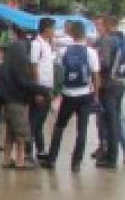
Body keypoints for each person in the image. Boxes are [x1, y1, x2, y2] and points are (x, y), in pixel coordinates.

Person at [40, 21, 100, 172]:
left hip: (67, 95)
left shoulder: (64, 51)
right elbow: (96, 76)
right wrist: (96, 95)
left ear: (72, 34)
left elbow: (59, 72)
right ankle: (76, 164)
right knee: (82, 130)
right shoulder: (91, 52)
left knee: (59, 127)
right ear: (84, 34)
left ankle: (52, 159)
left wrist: (56, 92)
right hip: (85, 95)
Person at [0, 28, 38, 170]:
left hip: (8, 102)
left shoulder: (5, 68)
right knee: (21, 135)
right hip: (18, 102)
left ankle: (6, 160)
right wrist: (40, 89)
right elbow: (24, 83)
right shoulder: (20, 68)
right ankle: (20, 161)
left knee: (10, 133)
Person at [95, 15, 125, 169]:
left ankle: (111, 158)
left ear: (106, 25)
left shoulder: (107, 40)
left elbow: (103, 63)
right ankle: (116, 153)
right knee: (116, 120)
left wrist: (94, 63)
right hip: (120, 84)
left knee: (110, 122)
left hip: (108, 85)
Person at [28, 17, 57, 160]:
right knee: (35, 120)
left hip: (47, 87)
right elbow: (34, 67)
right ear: (46, 29)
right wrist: (37, 90)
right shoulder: (36, 44)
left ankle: (40, 149)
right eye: (53, 28)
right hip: (40, 88)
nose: (54, 32)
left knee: (41, 120)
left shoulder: (47, 44)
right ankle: (27, 150)